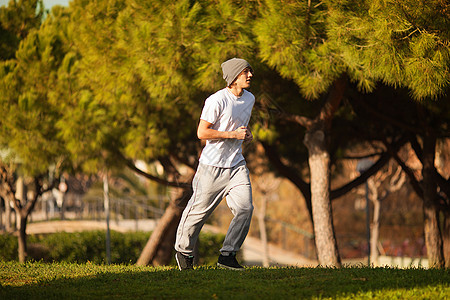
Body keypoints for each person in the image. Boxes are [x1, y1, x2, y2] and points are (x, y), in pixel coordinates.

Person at [174, 58, 255, 270]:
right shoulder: (216, 100)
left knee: (245, 208)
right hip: (212, 168)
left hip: (236, 165)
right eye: (245, 72)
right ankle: (183, 251)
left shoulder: (250, 99)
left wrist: (245, 135)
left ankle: (227, 256)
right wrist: (231, 135)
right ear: (233, 77)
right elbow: (202, 132)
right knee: (198, 213)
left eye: (250, 72)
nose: (250, 76)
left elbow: (238, 127)